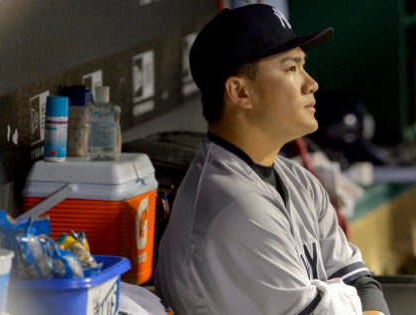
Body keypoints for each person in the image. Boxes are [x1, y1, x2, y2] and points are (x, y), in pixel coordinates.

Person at [154, 4, 389, 314]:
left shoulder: (299, 181)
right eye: (291, 69)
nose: (311, 83)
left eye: (303, 65)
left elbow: (360, 281)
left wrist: (344, 300)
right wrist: (338, 298)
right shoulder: (234, 207)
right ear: (240, 93)